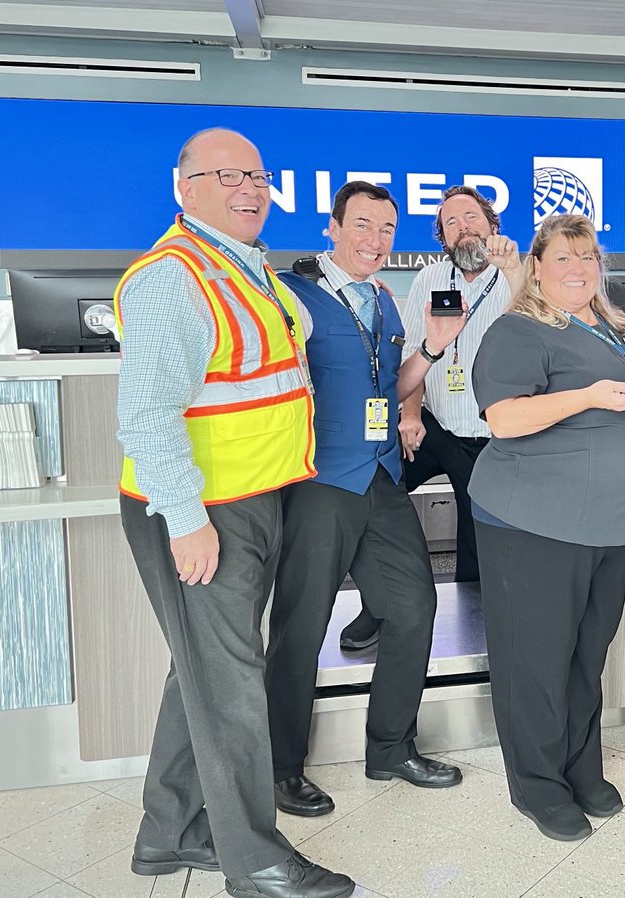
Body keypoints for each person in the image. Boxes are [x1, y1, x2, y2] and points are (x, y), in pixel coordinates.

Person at [114, 128, 354, 898]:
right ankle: (256, 862)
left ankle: (169, 835)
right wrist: (185, 518)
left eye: (257, 174)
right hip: (201, 508)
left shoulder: (244, 268)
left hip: (253, 495)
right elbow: (147, 415)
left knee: (206, 672)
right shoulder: (172, 278)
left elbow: (292, 345)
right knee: (231, 682)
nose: (250, 188)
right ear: (184, 187)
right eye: (228, 175)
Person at [264, 181, 467, 820]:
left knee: (413, 605)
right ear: (332, 227)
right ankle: (277, 769)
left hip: (378, 476)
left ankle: (390, 748)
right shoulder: (290, 295)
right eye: (362, 226)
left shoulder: (383, 299)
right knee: (300, 628)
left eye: (386, 229)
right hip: (318, 481)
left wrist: (433, 346)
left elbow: (392, 383)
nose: (375, 241)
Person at [469, 214, 625, 842]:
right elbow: (504, 419)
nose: (577, 269)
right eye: (562, 259)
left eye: (587, 258)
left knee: (584, 657)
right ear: (537, 267)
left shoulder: (609, 326)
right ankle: (537, 785)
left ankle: (581, 767)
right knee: (536, 662)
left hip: (608, 524)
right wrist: (589, 397)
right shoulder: (518, 330)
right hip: (535, 523)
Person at [339, 185, 522, 651]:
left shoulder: (517, 274)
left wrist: (517, 268)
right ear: (441, 235)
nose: (463, 227)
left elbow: (538, 325)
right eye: (451, 222)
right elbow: (416, 355)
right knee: (376, 495)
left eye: (471, 217)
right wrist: (412, 413)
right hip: (437, 424)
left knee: (478, 541)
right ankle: (382, 601)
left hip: (492, 437)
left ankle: (477, 636)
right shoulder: (430, 278)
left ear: (491, 225)